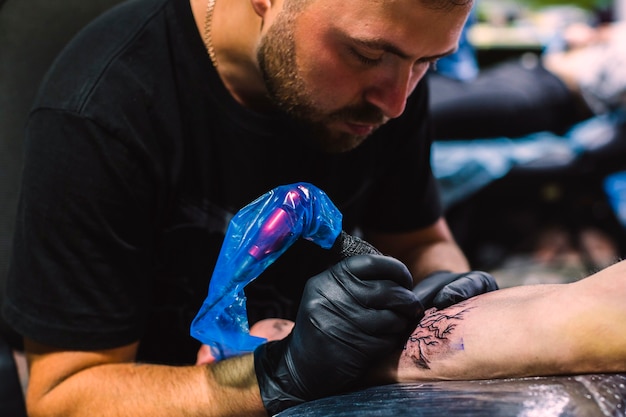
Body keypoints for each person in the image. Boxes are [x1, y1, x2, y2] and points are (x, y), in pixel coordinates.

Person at [1, 0, 498, 415]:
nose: (395, 102)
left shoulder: (392, 71)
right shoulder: (104, 111)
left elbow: (420, 240)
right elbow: (65, 397)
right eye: (366, 54)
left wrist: (442, 291)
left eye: (428, 62)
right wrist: (277, 373)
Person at [428, 20, 626, 140]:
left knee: (431, 111)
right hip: (535, 70)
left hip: (553, 95)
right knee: (435, 92)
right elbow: (595, 34)